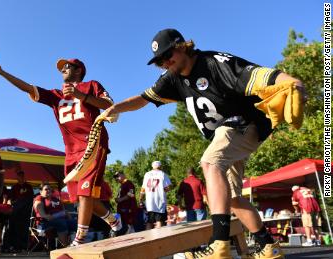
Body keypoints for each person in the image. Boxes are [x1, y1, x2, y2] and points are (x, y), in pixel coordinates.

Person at [99, 28, 306, 258]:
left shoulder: (214, 62)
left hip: (243, 124)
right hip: (228, 136)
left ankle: (219, 244)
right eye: (160, 62)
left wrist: (292, 82)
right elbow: (142, 99)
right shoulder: (172, 78)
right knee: (232, 197)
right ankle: (268, 246)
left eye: (168, 56)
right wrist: (114, 108)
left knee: (209, 163)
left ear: (182, 46)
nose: (166, 64)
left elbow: (257, 75)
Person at [0, 57, 125, 246]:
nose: (63, 69)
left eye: (68, 66)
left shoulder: (91, 85)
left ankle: (79, 240)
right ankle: (114, 220)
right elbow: (27, 87)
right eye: (62, 67)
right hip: (71, 151)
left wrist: (81, 96)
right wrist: (1, 72)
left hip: (93, 143)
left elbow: (110, 106)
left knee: (85, 194)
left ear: (79, 70)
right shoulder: (55, 95)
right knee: (82, 198)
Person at [139, 161, 171, 229]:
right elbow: (167, 188)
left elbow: (143, 189)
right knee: (159, 220)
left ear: (152, 167)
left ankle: (147, 237)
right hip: (159, 201)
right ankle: (159, 238)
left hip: (149, 202)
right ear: (160, 166)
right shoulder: (162, 174)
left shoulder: (147, 174)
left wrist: (140, 198)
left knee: (149, 221)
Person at [8, 170, 34, 252]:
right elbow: (11, 200)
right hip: (16, 213)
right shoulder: (14, 187)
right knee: (16, 229)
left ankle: (24, 246)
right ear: (17, 178)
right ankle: (15, 246)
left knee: (25, 229)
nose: (21, 177)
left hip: (26, 213)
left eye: (22, 176)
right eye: (19, 176)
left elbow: (31, 198)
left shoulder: (28, 186)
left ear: (24, 177)